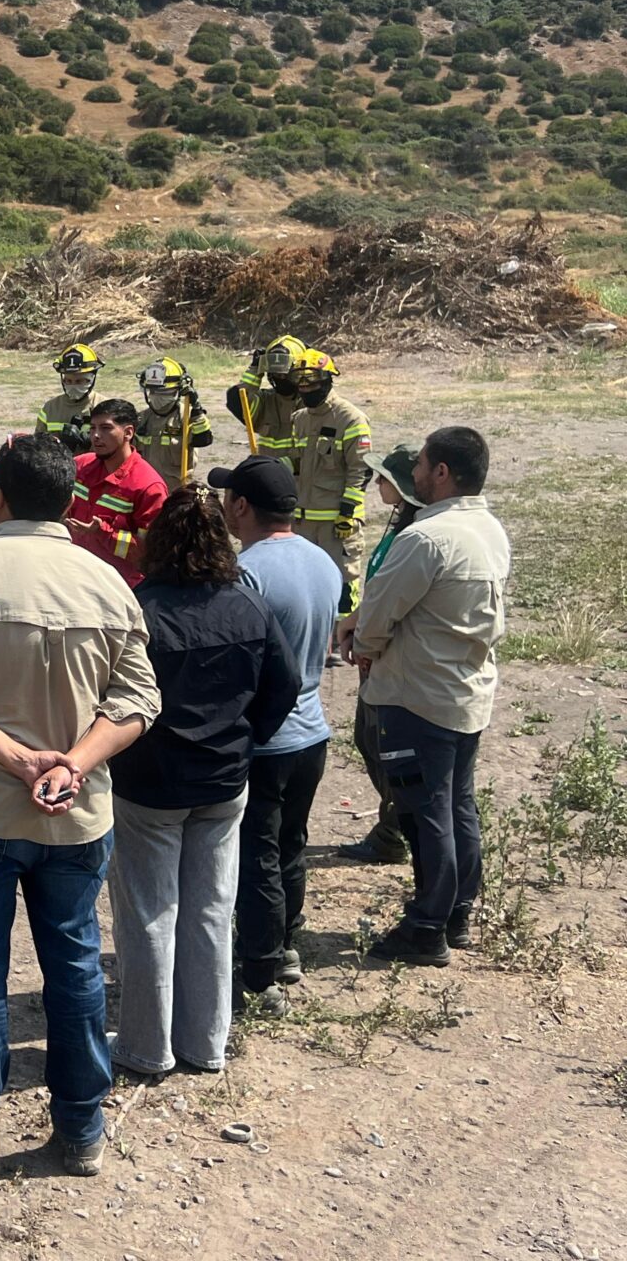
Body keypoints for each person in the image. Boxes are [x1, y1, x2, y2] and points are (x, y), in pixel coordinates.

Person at [0, 433, 159, 1188]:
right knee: (76, 967)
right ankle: (82, 1129)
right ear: (72, 500)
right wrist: (74, 764)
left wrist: (16, 761)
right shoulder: (107, 580)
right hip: (77, 818)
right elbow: (140, 698)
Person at [108, 487, 299, 1077]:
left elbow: (110, 692)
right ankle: (207, 1042)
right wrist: (246, 737)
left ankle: (147, 1046)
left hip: (149, 782)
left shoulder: (139, 608)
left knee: (148, 914)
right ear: (223, 542)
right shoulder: (249, 607)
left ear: (157, 541)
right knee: (212, 911)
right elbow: (284, 684)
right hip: (224, 783)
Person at [351, 427, 510, 967]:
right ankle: (458, 910)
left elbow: (377, 613)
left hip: (416, 696)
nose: (413, 473)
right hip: (465, 693)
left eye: (420, 463)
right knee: (457, 805)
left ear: (441, 473)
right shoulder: (488, 529)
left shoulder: (426, 537)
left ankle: (426, 926)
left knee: (425, 813)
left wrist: (363, 644)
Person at [212, 456, 343, 1014]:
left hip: (267, 736)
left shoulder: (248, 571)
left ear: (242, 506)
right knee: (292, 843)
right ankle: (287, 942)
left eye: (227, 497)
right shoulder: (325, 562)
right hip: (313, 730)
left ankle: (260, 967)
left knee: (257, 852)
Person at [337, 444, 424, 865]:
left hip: (385, 656)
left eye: (384, 477)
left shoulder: (414, 535)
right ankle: (397, 824)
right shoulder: (398, 525)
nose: (376, 484)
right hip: (373, 647)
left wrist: (368, 643)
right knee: (367, 739)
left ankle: (395, 830)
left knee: (382, 743)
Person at [286, 349, 371, 637]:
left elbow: (360, 471)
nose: (306, 388)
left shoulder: (350, 419)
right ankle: (312, 633)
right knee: (304, 579)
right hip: (303, 519)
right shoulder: (299, 419)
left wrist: (347, 514)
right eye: (301, 382)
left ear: (328, 380)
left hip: (337, 521)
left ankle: (341, 635)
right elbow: (297, 462)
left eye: (312, 382)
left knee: (343, 579)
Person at [66, 399, 169, 588]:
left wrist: (104, 533)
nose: (96, 436)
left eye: (106, 428)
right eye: (93, 428)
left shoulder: (148, 486)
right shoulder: (81, 466)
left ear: (128, 432)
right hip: (77, 579)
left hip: (121, 588)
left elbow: (150, 552)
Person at [224, 333, 308, 462]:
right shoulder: (265, 401)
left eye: (285, 374)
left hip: (302, 478)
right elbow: (239, 401)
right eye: (276, 374)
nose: (281, 379)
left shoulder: (311, 402)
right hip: (271, 474)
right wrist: (255, 370)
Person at [134, 357, 212, 487]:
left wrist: (196, 408)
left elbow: (203, 439)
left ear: (178, 391)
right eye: (153, 392)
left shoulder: (186, 415)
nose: (158, 397)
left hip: (176, 489)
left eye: (165, 393)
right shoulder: (142, 418)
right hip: (146, 487)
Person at [35, 343, 102, 455]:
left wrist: (90, 443)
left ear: (92, 378)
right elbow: (38, 446)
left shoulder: (103, 406)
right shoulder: (50, 408)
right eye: (68, 381)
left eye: (79, 381)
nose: (73, 386)